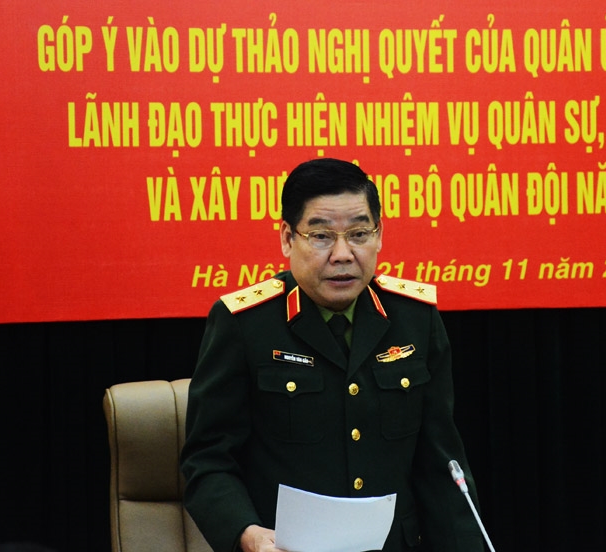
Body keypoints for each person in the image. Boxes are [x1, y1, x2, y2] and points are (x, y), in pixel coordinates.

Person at [180, 158, 484, 552]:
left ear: (379, 235)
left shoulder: (414, 319)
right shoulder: (245, 325)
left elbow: (442, 465)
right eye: (321, 236)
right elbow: (207, 460)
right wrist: (247, 533)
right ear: (287, 238)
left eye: (358, 234)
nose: (343, 254)